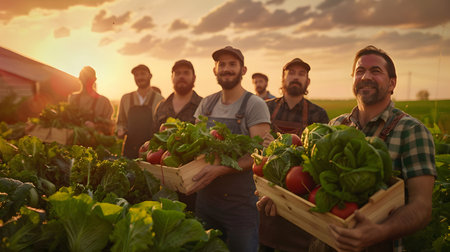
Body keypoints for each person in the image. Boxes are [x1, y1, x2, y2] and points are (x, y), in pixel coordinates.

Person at [258, 45, 437, 252]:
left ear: (392, 83)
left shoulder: (412, 131)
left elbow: (422, 207)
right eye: (360, 71)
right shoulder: (334, 126)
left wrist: (381, 231)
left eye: (375, 71)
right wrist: (281, 202)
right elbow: (309, 188)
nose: (366, 76)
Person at [188, 46, 271, 252]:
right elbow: (193, 145)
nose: (226, 69)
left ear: (243, 70)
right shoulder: (206, 104)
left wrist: (219, 170)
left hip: (241, 206)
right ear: (215, 70)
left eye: (232, 64)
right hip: (206, 201)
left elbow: (258, 156)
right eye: (221, 64)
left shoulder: (254, 105)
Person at [259, 58, 329, 252]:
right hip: (268, 189)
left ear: (307, 81)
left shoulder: (318, 114)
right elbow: (252, 148)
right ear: (282, 79)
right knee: (264, 241)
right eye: (291, 73)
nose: (296, 77)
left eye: (301, 74)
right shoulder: (265, 108)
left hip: (300, 193)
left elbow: (322, 159)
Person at [154, 59, 203, 212]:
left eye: (186, 73)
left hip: (194, 182)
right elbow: (153, 141)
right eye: (178, 73)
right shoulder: (162, 106)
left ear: (194, 78)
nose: (182, 76)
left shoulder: (203, 105)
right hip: (165, 180)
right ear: (172, 78)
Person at [116, 64, 164, 159]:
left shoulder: (160, 100)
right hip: (129, 150)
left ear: (150, 76)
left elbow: (162, 127)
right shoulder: (125, 98)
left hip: (151, 151)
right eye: (136, 75)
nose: (139, 77)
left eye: (142, 74)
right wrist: (120, 130)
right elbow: (120, 122)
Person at [68, 66, 114, 135]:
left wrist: (95, 126)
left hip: (96, 143)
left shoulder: (104, 102)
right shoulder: (72, 98)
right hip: (74, 142)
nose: (86, 80)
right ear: (79, 78)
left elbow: (110, 127)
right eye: (84, 77)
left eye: (89, 78)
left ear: (94, 79)